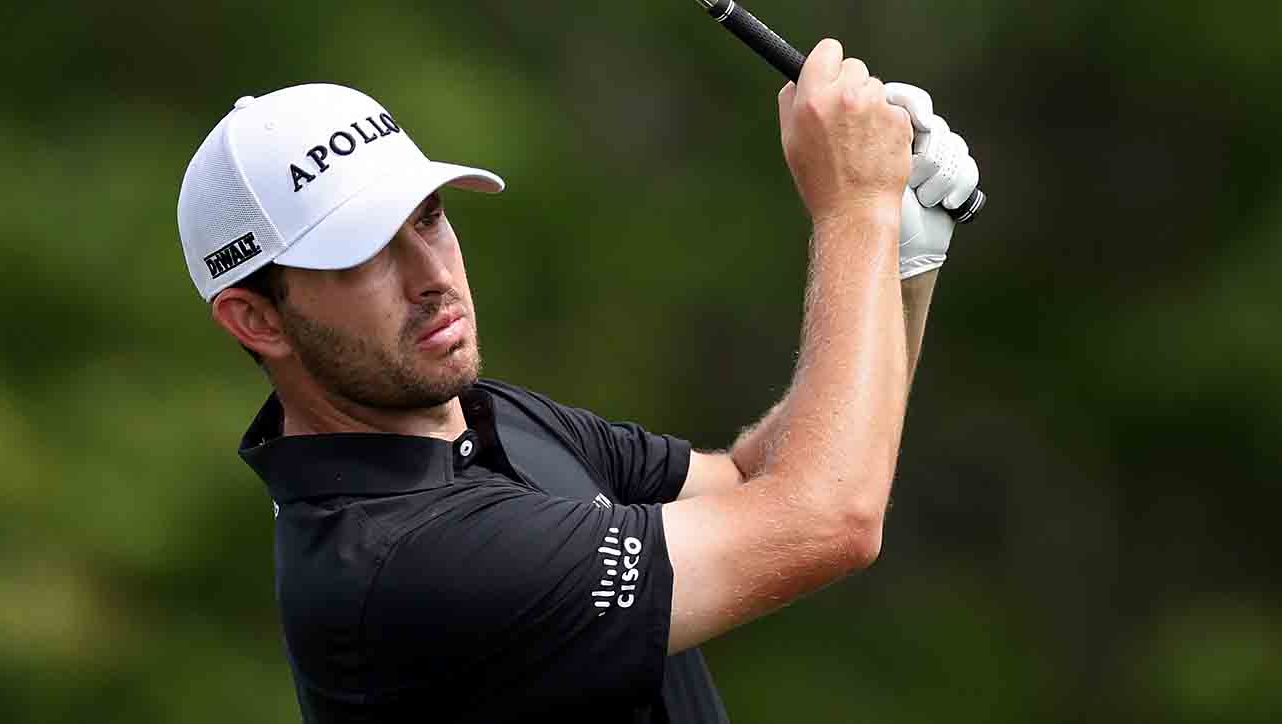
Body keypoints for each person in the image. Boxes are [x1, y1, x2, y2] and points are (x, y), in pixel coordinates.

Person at [176, 39, 980, 723]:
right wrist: (856, 210)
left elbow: (755, 480)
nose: (432, 276)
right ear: (257, 319)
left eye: (428, 218)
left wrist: (898, 264)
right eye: (365, 254)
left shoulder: (480, 416)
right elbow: (826, 518)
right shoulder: (396, 565)